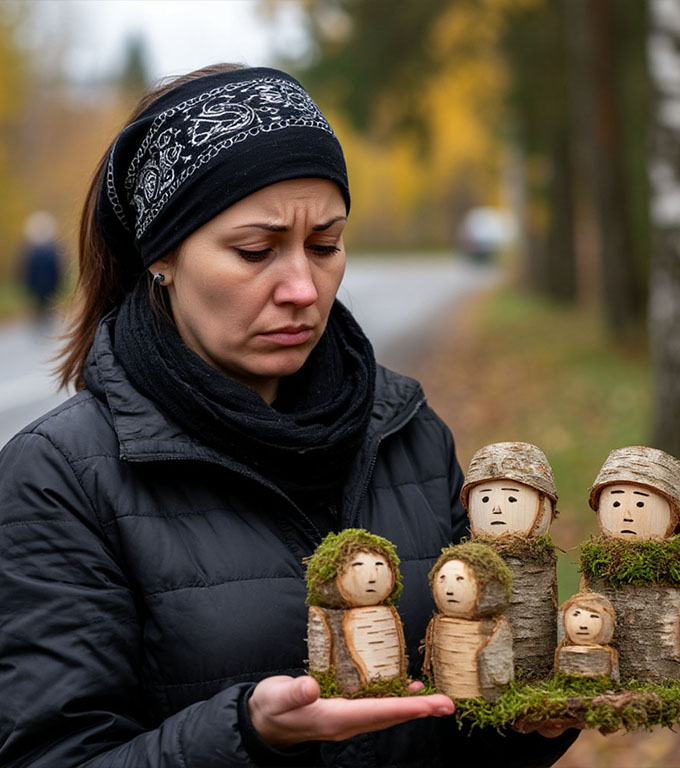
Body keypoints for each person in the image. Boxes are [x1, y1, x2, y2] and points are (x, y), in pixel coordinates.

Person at [0, 64, 578, 767]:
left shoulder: (408, 432)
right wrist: (246, 734)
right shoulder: (60, 477)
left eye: (326, 245)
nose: (303, 287)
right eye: (256, 251)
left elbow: (453, 721)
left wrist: (530, 716)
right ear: (163, 256)